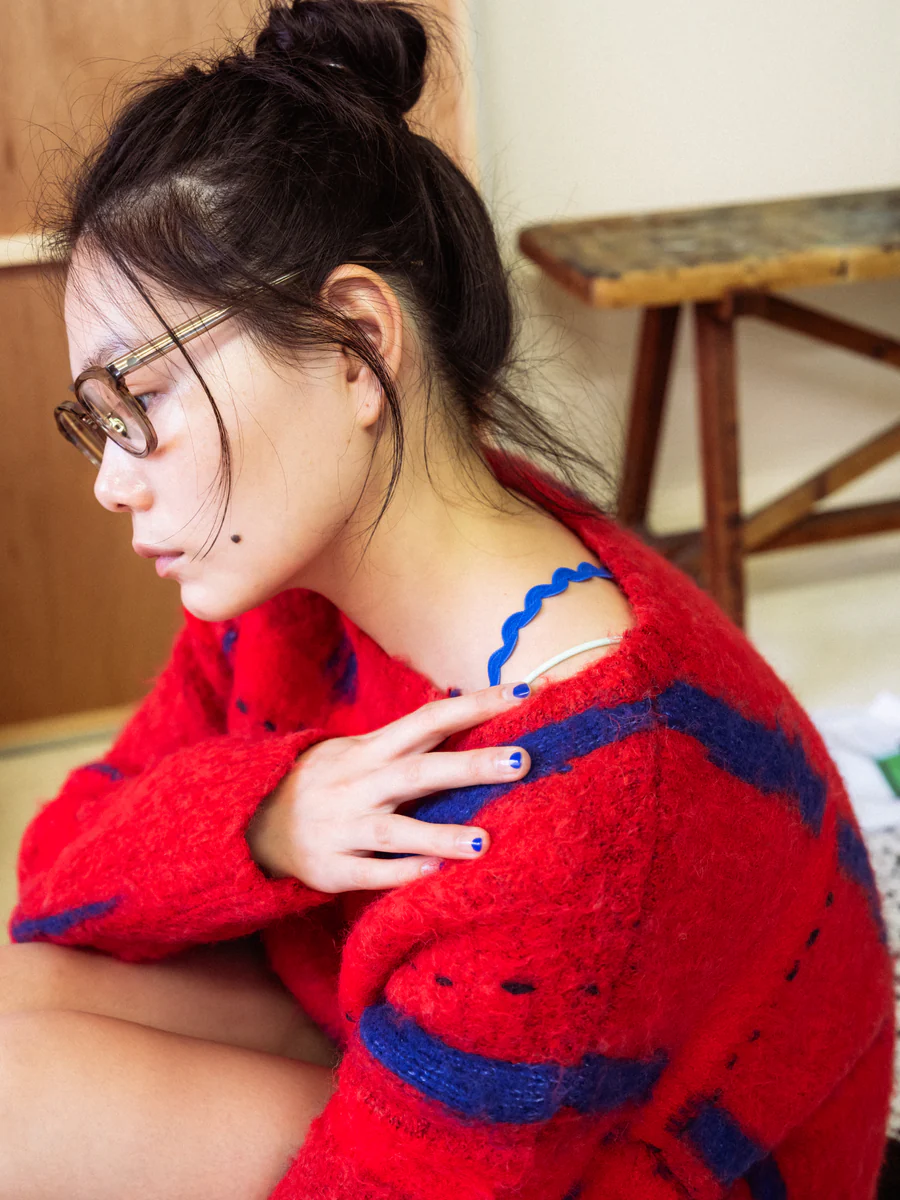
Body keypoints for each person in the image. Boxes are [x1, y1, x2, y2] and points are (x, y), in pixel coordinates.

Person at [2, 2, 893, 1197]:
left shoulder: (587, 806)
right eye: (98, 420)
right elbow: (59, 875)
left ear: (353, 344)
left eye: (142, 400)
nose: (112, 482)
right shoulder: (286, 585)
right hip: (419, 1045)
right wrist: (269, 819)